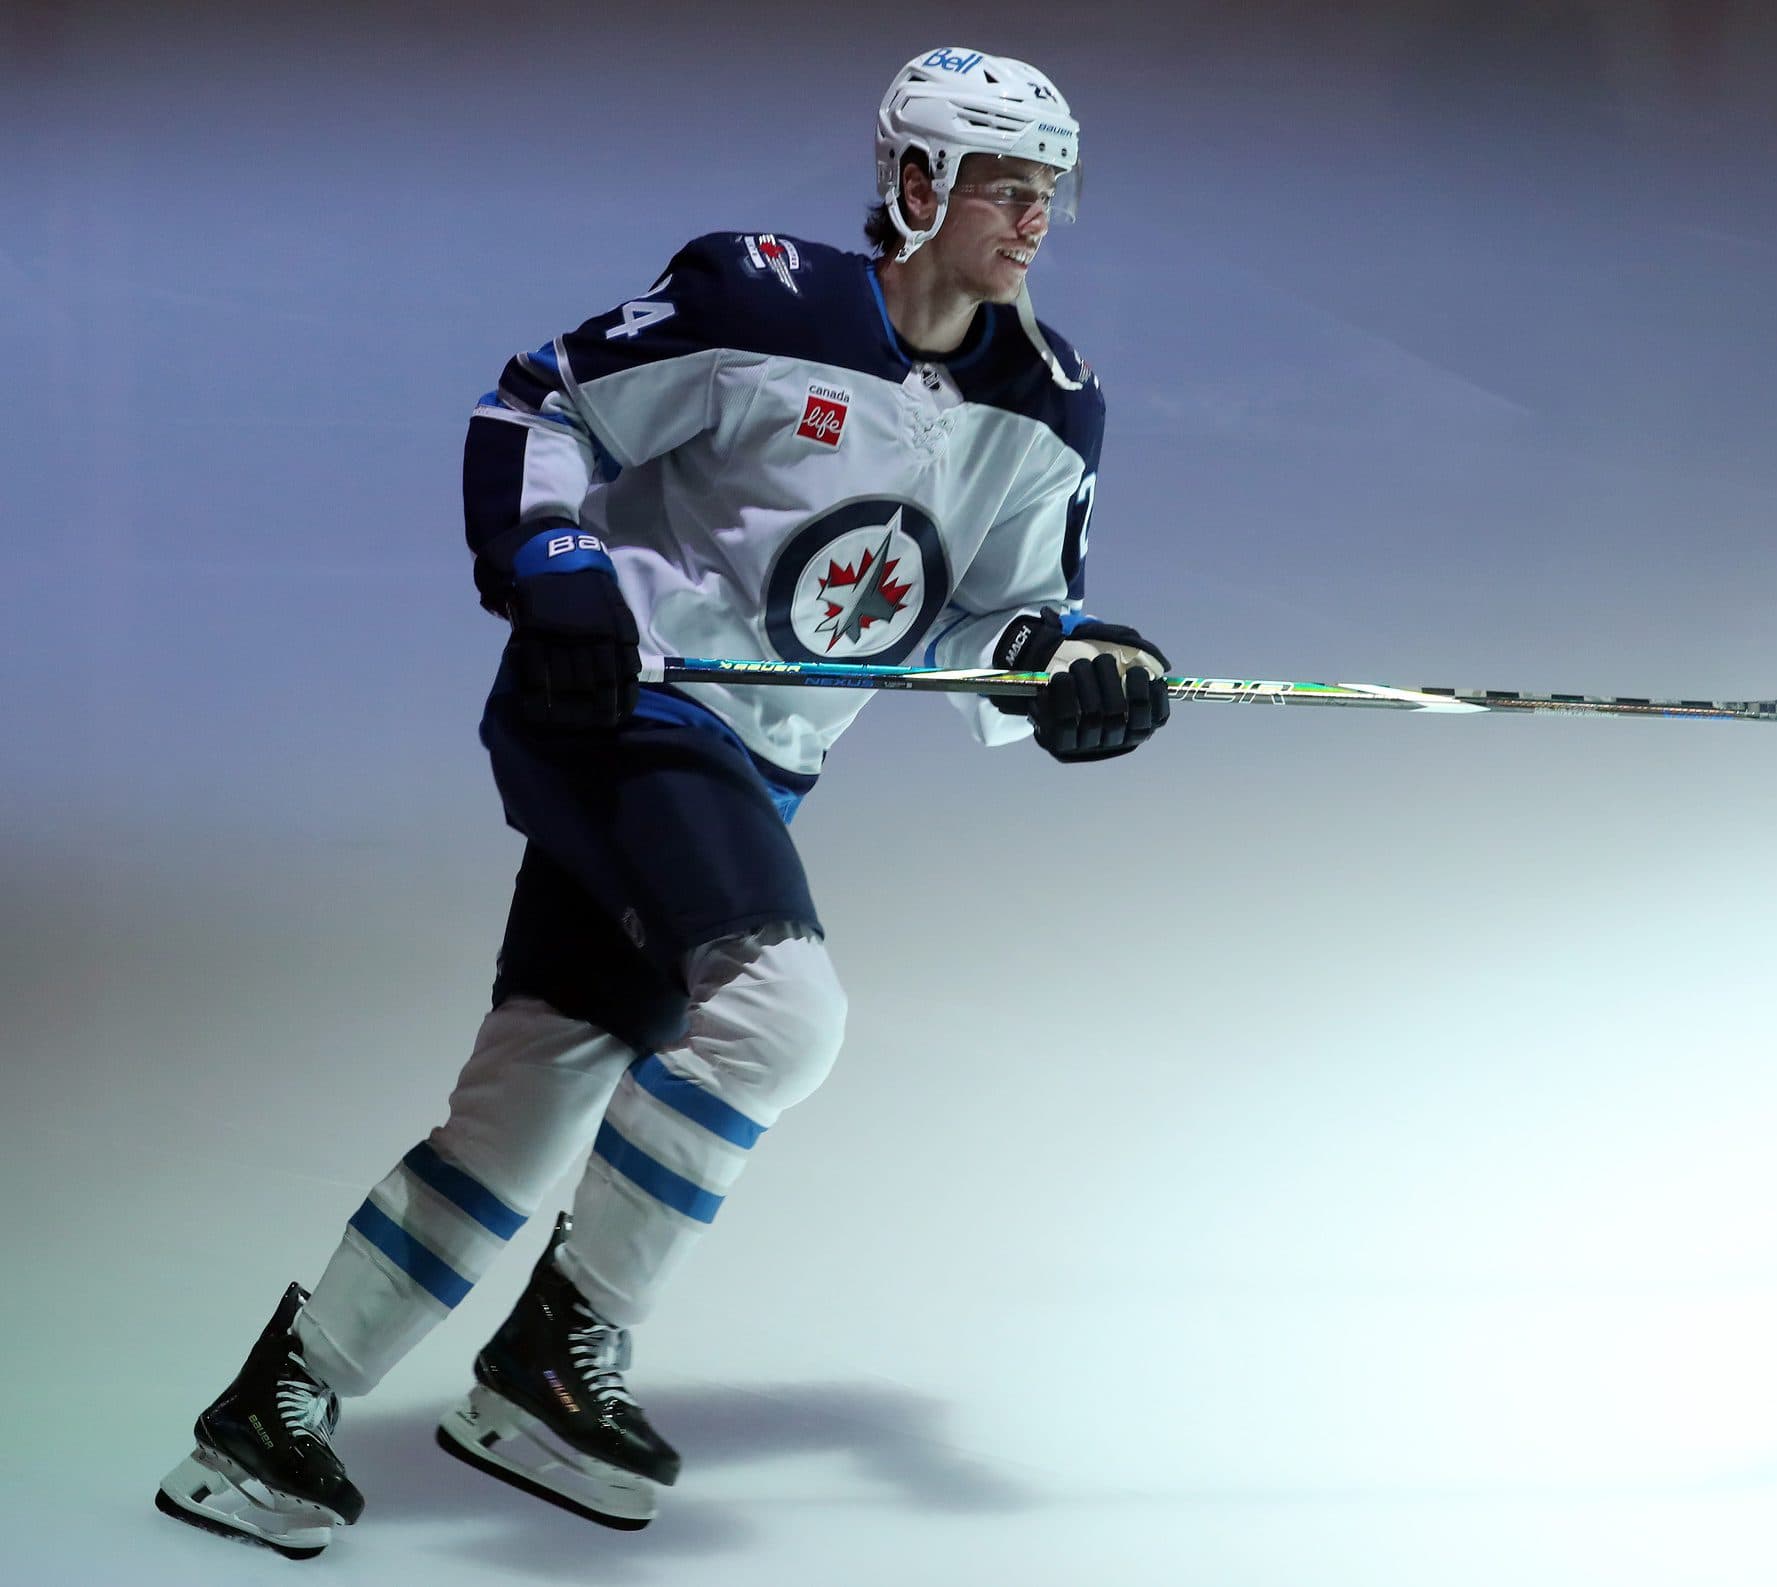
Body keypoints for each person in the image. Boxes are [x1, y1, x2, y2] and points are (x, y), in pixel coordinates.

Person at [154, 46, 1170, 1559]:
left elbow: (997, 622)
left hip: (758, 767)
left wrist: (1079, 669)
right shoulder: (756, 300)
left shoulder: (1052, 407)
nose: (1035, 221)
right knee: (780, 1015)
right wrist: (551, 567)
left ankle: (275, 1413)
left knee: (533, 1093)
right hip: (620, 711)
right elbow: (536, 408)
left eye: (1048, 192)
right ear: (914, 184)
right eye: (1005, 187)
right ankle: (564, 1348)